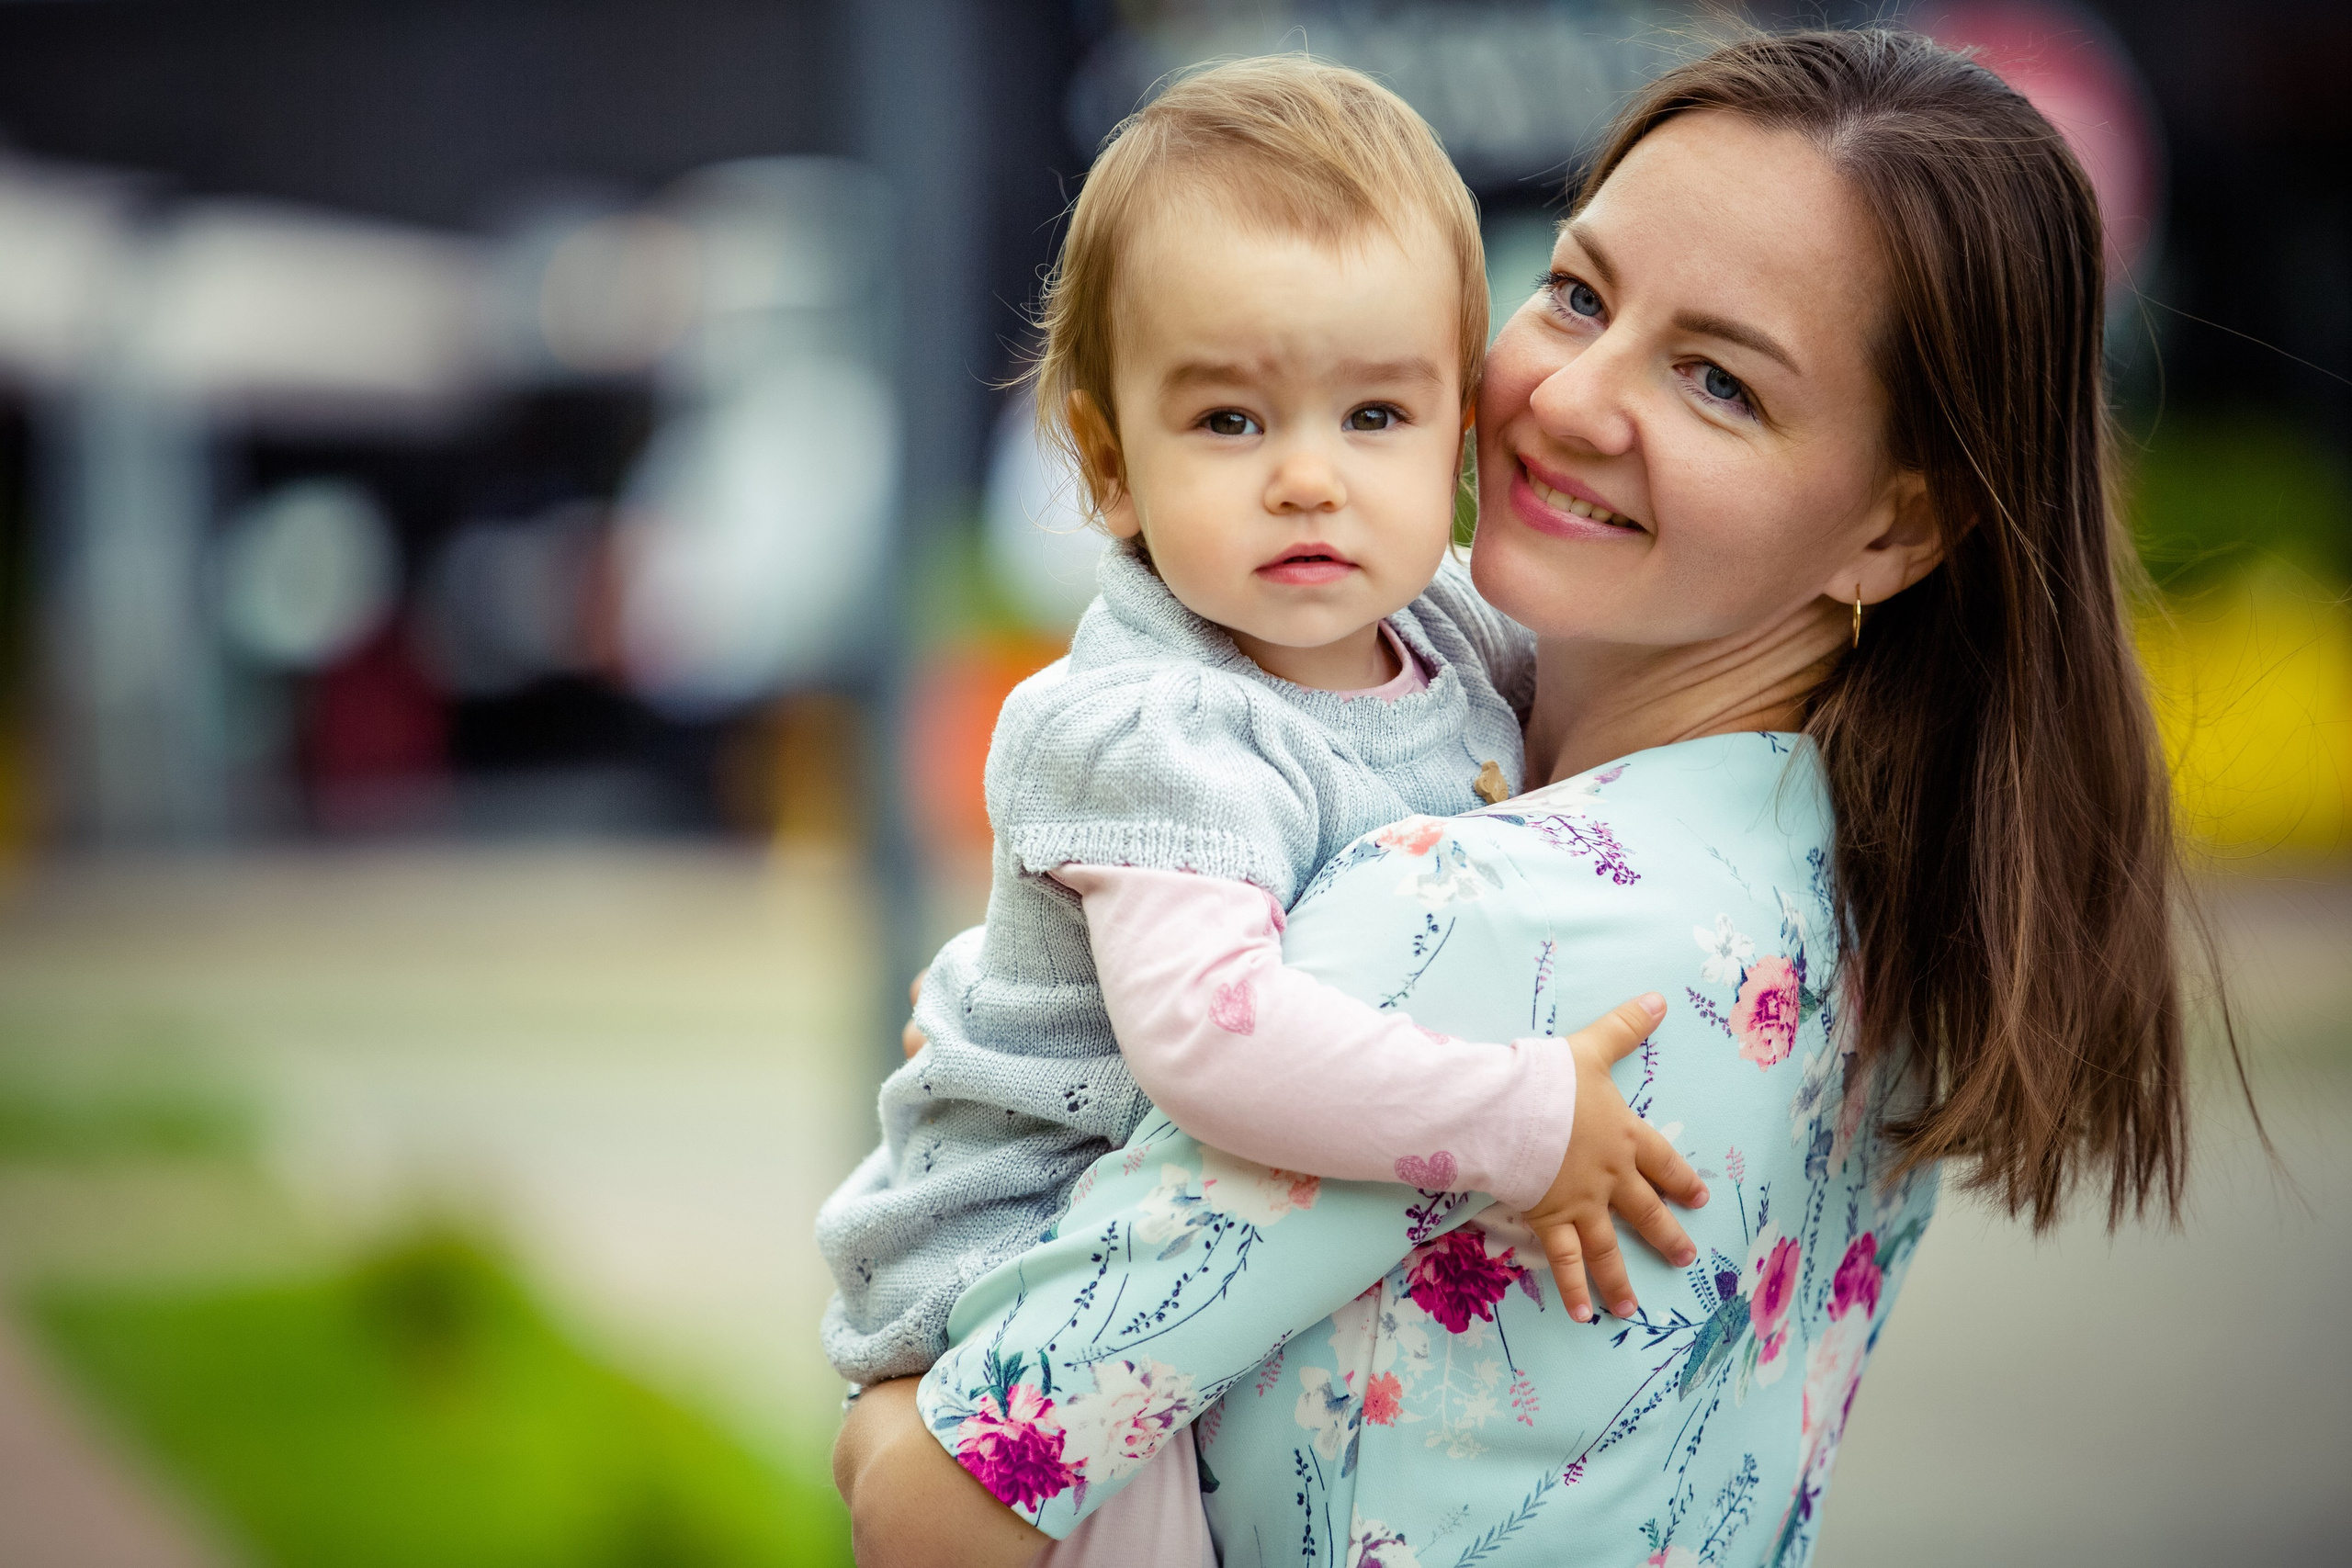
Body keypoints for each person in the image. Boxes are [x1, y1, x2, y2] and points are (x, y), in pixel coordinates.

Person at [834, 26, 2205, 1566]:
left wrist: (890, 1411)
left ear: (1895, 530)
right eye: (1576, 293)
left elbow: (940, 1498)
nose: (1567, 398)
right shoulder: (1863, 860)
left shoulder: (1486, 928)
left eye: (1716, 382)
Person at [816, 57, 1703, 1563]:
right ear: (1109, 462)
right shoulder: (1158, 726)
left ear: (1456, 440)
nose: (1307, 479)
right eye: (1230, 423)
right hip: (1025, 1263)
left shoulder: (1449, 634)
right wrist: (1523, 1116)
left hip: (1190, 1250)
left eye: (1373, 415)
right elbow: (1221, 1046)